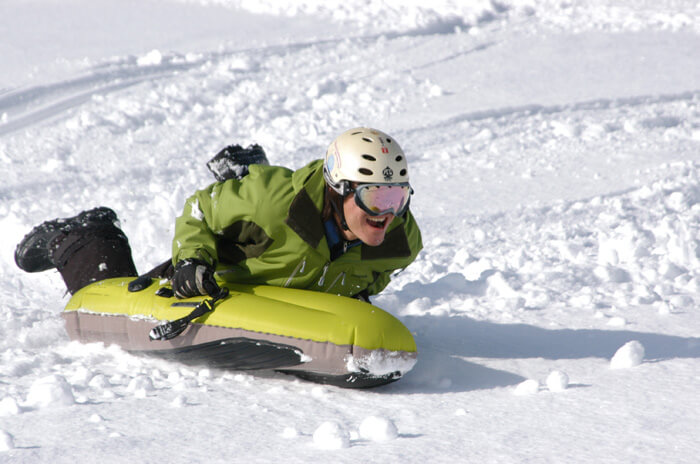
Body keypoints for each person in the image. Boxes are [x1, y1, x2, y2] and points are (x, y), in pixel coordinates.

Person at [14, 127, 423, 301]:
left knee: (256, 201)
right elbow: (198, 209)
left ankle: (244, 170)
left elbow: (377, 273)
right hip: (225, 270)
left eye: (397, 198)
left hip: (275, 257)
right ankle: (84, 235)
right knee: (106, 294)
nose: (387, 215)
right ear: (339, 191)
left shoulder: (402, 241)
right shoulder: (270, 204)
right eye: (376, 199)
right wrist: (193, 261)